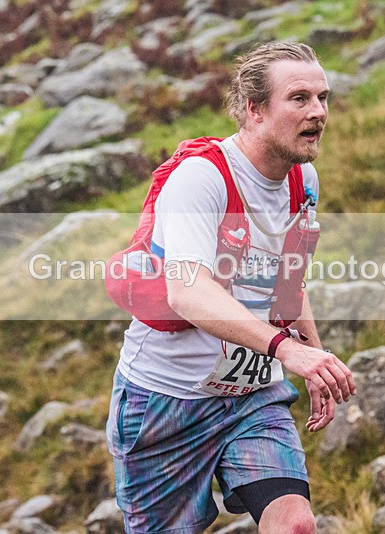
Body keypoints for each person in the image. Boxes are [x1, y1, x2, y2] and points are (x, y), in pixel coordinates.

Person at [106, 41, 356, 534]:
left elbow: (287, 281)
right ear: (254, 111)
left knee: (296, 526)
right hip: (165, 402)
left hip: (252, 397)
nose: (319, 112)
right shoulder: (202, 178)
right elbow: (187, 292)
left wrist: (315, 359)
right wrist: (288, 350)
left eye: (323, 98)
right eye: (300, 98)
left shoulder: (302, 180)